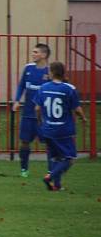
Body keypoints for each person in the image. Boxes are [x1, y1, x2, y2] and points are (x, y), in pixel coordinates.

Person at [34, 61, 86, 192]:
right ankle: (50, 177)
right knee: (70, 159)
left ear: (51, 73)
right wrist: (83, 118)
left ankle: (56, 185)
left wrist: (40, 121)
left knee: (55, 157)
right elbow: (78, 109)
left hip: (47, 129)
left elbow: (37, 108)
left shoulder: (43, 88)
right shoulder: (69, 89)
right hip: (63, 130)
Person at [11, 43, 50, 177]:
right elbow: (22, 85)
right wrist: (16, 101)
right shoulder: (28, 68)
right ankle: (24, 170)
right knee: (25, 142)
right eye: (33, 52)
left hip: (44, 116)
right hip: (28, 114)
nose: (33, 54)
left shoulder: (50, 72)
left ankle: (51, 171)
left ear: (44, 55)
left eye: (36, 52)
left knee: (49, 142)